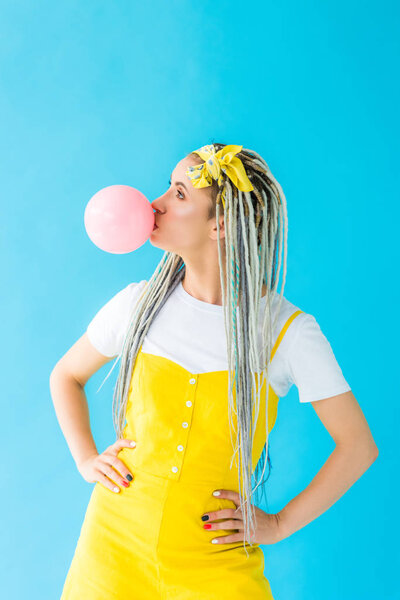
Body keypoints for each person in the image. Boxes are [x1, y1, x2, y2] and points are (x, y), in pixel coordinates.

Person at [50, 143, 379, 599]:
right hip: (110, 552)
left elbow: (358, 447)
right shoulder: (137, 304)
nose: (156, 204)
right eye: (167, 188)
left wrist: (279, 524)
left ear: (220, 224)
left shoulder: (287, 332)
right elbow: (65, 375)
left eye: (180, 195)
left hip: (214, 564)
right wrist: (87, 459)